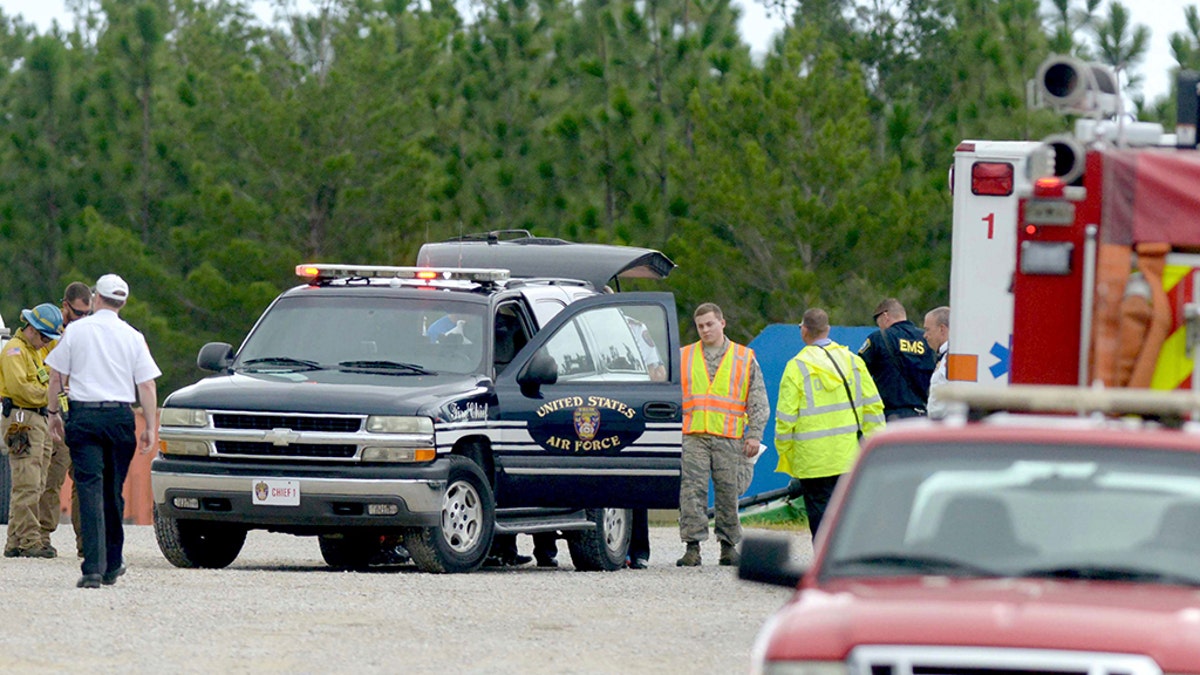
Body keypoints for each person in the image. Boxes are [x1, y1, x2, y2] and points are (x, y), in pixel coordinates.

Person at [46, 274, 161, 589]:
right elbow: (147, 384)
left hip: (84, 417)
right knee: (113, 491)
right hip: (120, 417)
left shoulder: (77, 331)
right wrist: (150, 425)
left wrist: (53, 412)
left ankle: (93, 568)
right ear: (123, 302)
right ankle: (112, 562)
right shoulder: (133, 336)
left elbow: (57, 375)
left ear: (96, 298)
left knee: (89, 489)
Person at [776, 308, 885, 537]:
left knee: (820, 517)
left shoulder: (796, 367)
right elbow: (873, 407)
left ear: (804, 331)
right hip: (848, 456)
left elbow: (785, 419)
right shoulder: (854, 361)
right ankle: (846, 565)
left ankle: (824, 565)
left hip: (812, 460)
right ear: (828, 329)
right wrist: (874, 445)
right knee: (847, 515)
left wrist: (786, 452)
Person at [677, 303, 769, 567]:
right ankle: (692, 548)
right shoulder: (685, 356)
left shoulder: (744, 357)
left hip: (729, 436)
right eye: (700, 326)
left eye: (709, 324)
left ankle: (728, 547)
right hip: (694, 434)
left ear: (722, 323)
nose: (705, 330)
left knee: (728, 491)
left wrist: (755, 434)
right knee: (692, 491)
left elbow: (758, 400)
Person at [2, 303, 65, 559]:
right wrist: (52, 395)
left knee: (37, 482)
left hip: (37, 419)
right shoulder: (14, 352)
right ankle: (29, 540)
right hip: (21, 418)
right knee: (26, 482)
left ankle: (16, 540)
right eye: (43, 336)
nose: (45, 342)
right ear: (31, 328)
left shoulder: (37, 351)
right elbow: (22, 390)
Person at [38, 281, 93, 558]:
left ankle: (87, 542)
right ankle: (41, 536)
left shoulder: (91, 334)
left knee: (84, 481)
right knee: (52, 478)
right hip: (59, 412)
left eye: (87, 313)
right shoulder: (49, 333)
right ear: (65, 305)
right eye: (78, 313)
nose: (83, 319)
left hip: (83, 413)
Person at [858, 298, 935, 420]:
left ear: (885, 316)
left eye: (878, 322)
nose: (880, 327)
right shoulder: (926, 339)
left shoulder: (878, 338)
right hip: (923, 415)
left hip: (892, 417)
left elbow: (858, 371)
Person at [923, 306, 950, 419]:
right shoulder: (946, 357)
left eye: (927, 330)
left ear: (942, 329)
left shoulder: (952, 359)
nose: (925, 336)